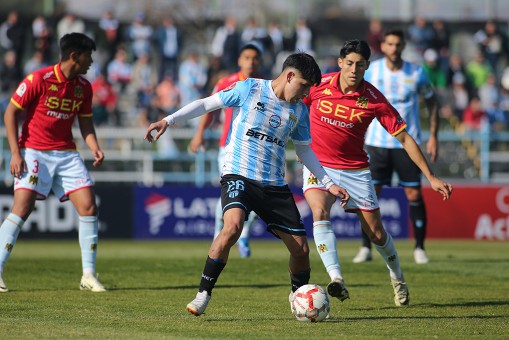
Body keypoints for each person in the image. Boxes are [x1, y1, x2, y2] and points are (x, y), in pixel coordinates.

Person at [144, 52, 350, 316]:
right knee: (232, 227)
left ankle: (298, 296)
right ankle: (202, 295)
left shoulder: (299, 110)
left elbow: (305, 151)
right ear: (289, 76)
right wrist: (168, 120)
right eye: (304, 85)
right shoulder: (250, 88)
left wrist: (328, 183)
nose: (306, 93)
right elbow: (207, 104)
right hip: (238, 174)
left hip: (273, 183)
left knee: (301, 250)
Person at [301, 39, 452, 307]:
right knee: (319, 212)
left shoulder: (373, 99)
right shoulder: (317, 86)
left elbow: (405, 138)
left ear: (367, 66)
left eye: (360, 65)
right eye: (349, 63)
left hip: (355, 170)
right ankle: (336, 279)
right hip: (319, 166)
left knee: (377, 234)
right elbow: (290, 103)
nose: (354, 70)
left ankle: (398, 278)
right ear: (340, 63)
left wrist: (431, 177)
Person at [0, 33, 106, 293]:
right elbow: (10, 113)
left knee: (89, 207)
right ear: (74, 56)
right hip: (34, 151)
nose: (91, 61)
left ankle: (88, 275)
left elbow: (85, 122)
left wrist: (94, 147)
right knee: (22, 208)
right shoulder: (38, 79)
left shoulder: (84, 86)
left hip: (66, 153)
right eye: (88, 56)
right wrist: (15, 152)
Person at [356, 29, 442, 265]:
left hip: (407, 142)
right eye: (390, 44)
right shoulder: (372, 71)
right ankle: (365, 248)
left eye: (398, 44)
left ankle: (419, 248)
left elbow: (432, 103)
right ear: (383, 46)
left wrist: (433, 135)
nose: (394, 48)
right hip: (376, 144)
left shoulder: (416, 73)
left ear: (403, 47)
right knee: (369, 197)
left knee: (414, 193)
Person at [188, 41, 265, 258]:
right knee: (228, 192)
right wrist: (199, 133)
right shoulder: (227, 82)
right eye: (246, 57)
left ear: (259, 61)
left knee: (259, 195)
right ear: (240, 60)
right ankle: (217, 236)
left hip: (257, 147)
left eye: (255, 58)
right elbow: (209, 108)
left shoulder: (266, 84)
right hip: (229, 146)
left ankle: (245, 232)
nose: (251, 61)